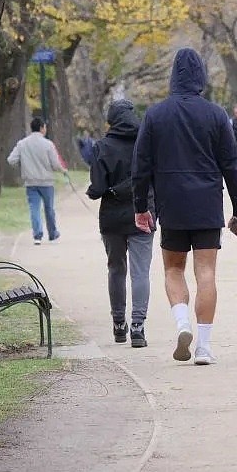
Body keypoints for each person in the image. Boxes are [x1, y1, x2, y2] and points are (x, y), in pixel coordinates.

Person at [132, 48, 237, 366]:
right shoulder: (215, 114)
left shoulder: (155, 115)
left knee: (172, 269)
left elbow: (141, 165)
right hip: (207, 203)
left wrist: (142, 206)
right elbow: (231, 165)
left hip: (172, 204)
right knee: (206, 272)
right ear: (201, 77)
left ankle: (182, 322)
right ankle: (205, 346)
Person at [86, 100, 154, 348]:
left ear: (111, 121)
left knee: (116, 269)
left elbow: (99, 186)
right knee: (141, 271)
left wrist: (94, 192)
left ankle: (118, 325)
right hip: (144, 211)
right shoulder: (145, 143)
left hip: (112, 217)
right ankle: (138, 326)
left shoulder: (102, 147)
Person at [7, 117, 68, 245]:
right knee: (49, 209)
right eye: (45, 127)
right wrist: (63, 170)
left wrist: (23, 165)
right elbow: (55, 163)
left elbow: (11, 160)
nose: (45, 129)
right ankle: (52, 234)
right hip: (46, 182)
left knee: (34, 208)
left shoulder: (22, 144)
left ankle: (37, 235)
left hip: (30, 182)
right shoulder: (48, 144)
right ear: (41, 128)